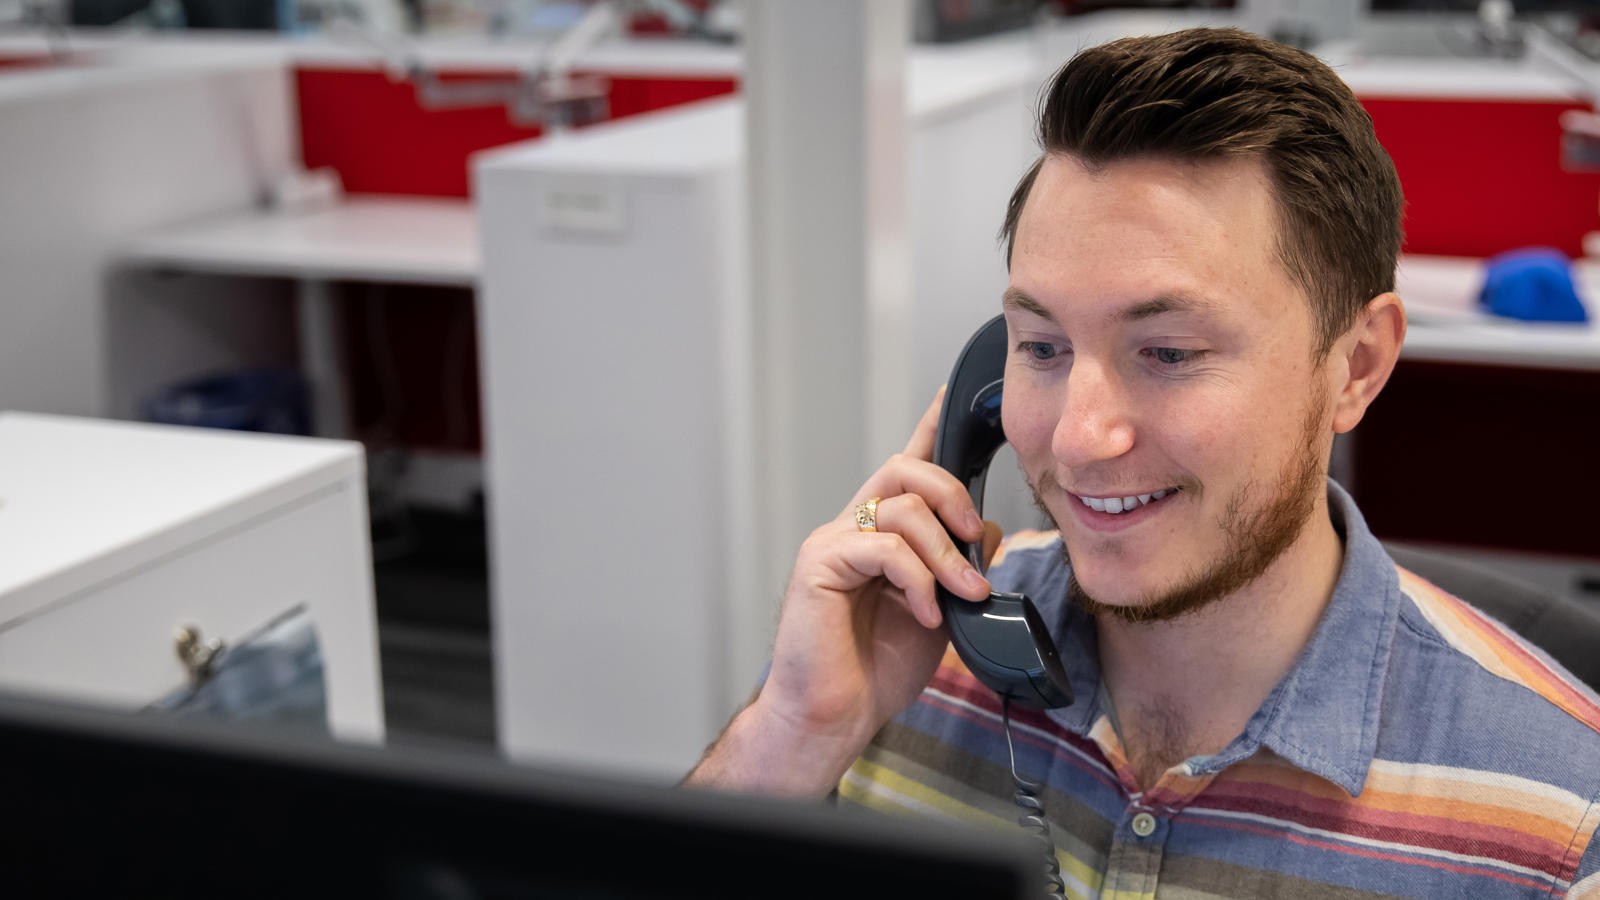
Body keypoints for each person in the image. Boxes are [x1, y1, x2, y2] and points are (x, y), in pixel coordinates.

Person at [686, 26, 1600, 899]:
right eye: (1041, 347)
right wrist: (792, 736)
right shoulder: (901, 661)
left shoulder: (1560, 828)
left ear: (1355, 365)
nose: (1078, 438)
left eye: (1168, 352)